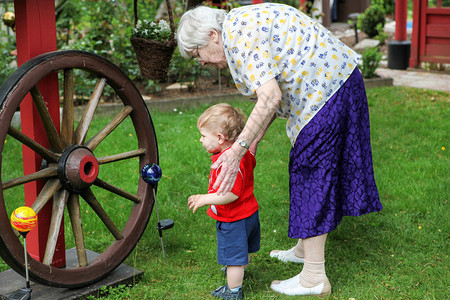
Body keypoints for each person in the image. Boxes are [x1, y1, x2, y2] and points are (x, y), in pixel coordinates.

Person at [177, 3, 383, 297]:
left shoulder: (238, 36)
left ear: (212, 35)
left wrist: (238, 150)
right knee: (308, 168)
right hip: (333, 84)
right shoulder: (237, 25)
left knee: (310, 173)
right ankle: (304, 250)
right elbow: (273, 90)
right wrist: (254, 140)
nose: (201, 62)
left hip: (328, 90)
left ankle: (314, 277)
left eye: (197, 53)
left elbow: (270, 97)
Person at [187, 103, 260, 300]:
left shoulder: (227, 163)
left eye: (203, 136)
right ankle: (239, 270)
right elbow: (253, 146)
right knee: (242, 250)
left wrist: (204, 199)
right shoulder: (241, 154)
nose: (200, 140)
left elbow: (231, 194)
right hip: (250, 214)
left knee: (234, 258)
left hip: (234, 219)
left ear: (220, 138)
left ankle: (233, 290)